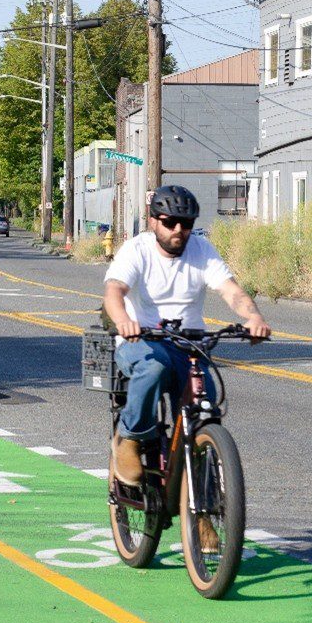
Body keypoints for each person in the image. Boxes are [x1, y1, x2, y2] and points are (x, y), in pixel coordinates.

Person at [103, 185, 271, 488]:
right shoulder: (136, 250)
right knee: (153, 369)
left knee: (205, 411)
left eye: (187, 223)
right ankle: (129, 439)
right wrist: (125, 321)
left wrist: (253, 316)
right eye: (169, 222)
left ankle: (204, 508)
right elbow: (114, 291)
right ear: (154, 221)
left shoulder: (201, 249)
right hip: (141, 341)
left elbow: (230, 290)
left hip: (188, 345)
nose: (179, 230)